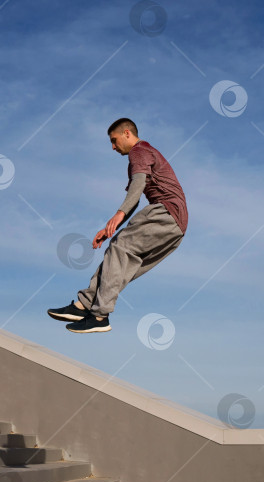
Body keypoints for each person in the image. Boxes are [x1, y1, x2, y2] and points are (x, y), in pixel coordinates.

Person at [47, 118, 188, 333]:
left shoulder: (139, 151)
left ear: (127, 133)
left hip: (165, 211)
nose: (113, 147)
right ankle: (84, 305)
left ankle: (99, 315)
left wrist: (118, 214)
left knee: (119, 248)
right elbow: (136, 196)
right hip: (177, 226)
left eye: (114, 141)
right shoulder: (147, 154)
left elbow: (138, 185)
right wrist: (110, 227)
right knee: (122, 263)